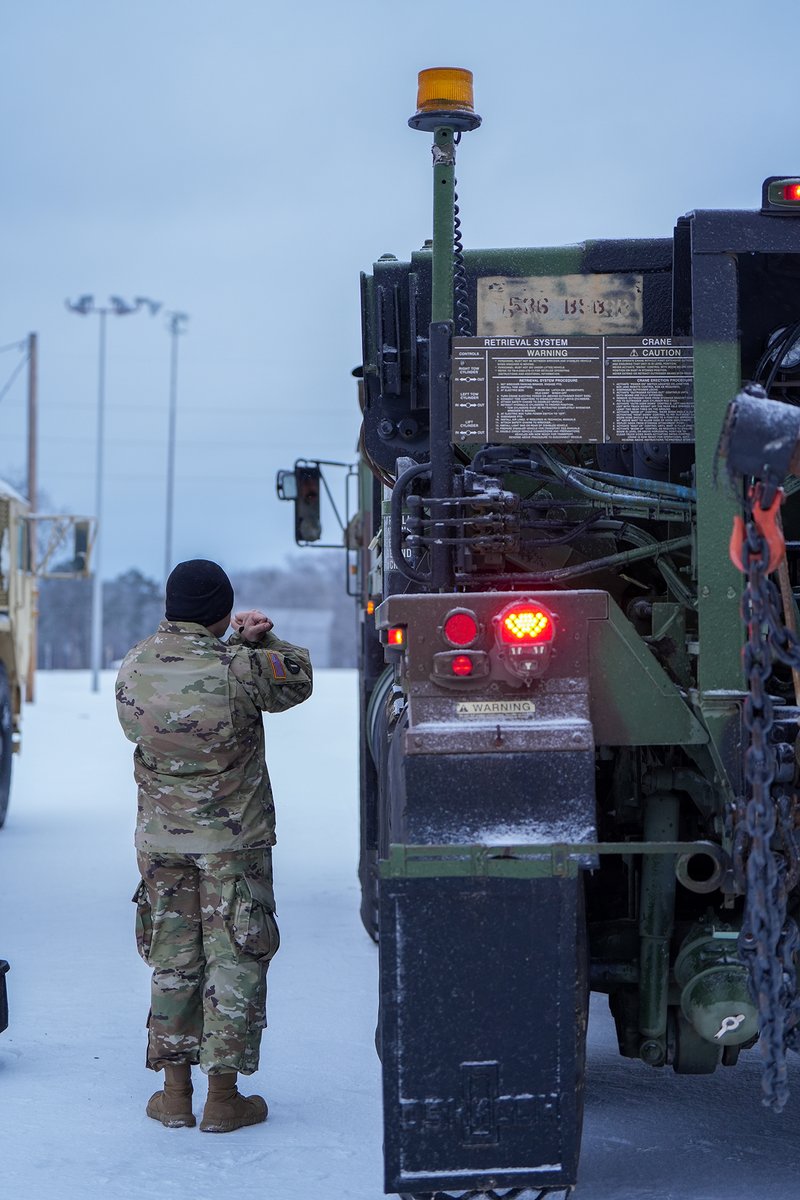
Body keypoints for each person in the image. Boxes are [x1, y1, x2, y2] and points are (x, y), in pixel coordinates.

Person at [115, 559, 312, 1132]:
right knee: (235, 957)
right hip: (234, 841)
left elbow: (136, 732)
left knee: (173, 957)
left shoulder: (134, 666)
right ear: (223, 612)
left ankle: (174, 1095)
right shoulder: (241, 666)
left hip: (160, 841)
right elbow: (297, 678)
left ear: (169, 607)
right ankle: (223, 1101)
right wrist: (260, 638)